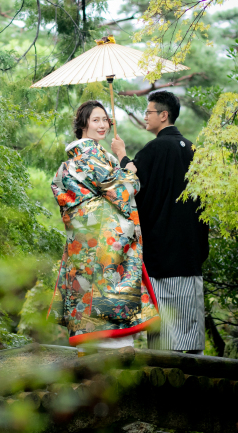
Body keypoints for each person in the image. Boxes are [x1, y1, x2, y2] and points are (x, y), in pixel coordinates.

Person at [50, 100, 160, 350]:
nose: (103, 124)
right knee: (108, 292)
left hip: (86, 240)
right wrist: (127, 165)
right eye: (96, 119)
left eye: (105, 119)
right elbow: (125, 188)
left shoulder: (80, 158)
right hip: (103, 240)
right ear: (83, 124)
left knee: (89, 290)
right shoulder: (90, 154)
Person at [110, 90, 209, 353]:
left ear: (163, 115)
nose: (145, 117)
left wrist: (121, 155)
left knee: (165, 337)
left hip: (161, 251)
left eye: (149, 112)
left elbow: (133, 188)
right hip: (190, 250)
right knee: (190, 330)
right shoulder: (193, 150)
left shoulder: (154, 149)